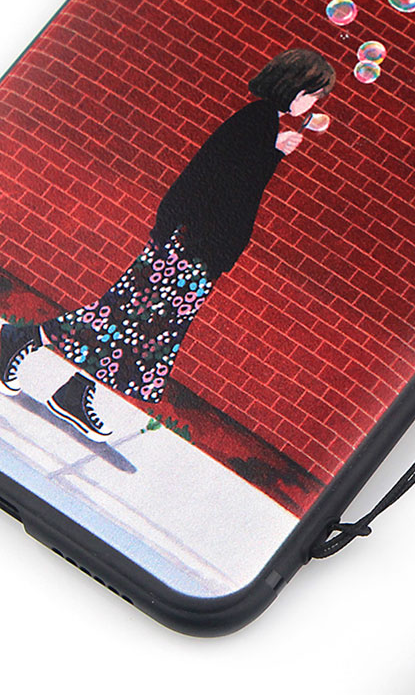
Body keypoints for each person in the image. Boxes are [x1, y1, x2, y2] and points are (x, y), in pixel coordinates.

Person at [0, 48, 335, 441]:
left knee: (145, 327)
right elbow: (219, 182)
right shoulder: (257, 120)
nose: (312, 105)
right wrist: (273, 154)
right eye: (313, 95)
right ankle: (20, 339)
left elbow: (235, 180)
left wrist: (273, 152)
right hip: (193, 243)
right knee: (129, 316)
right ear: (294, 87)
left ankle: (76, 390)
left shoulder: (262, 123)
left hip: (198, 243)